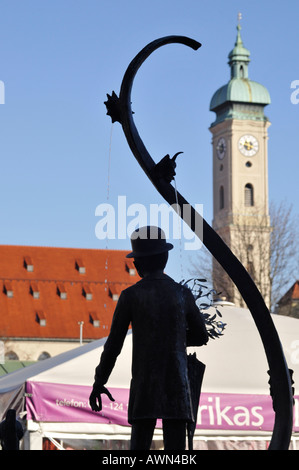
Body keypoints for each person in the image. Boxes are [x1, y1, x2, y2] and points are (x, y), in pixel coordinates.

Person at [89, 226, 209, 450]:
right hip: (177, 388)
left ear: (137, 264)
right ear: (165, 257)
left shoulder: (130, 296)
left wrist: (99, 381)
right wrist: (173, 340)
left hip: (144, 386)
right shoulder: (182, 294)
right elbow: (201, 336)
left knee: (139, 450)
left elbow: (113, 346)